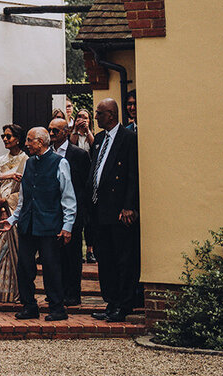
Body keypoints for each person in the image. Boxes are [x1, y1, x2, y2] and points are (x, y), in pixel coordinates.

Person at [7, 126, 75, 322]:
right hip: (28, 223)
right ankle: (29, 306)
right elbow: (23, 197)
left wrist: (67, 226)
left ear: (41, 142)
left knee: (52, 267)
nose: (26, 144)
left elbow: (68, 197)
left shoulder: (60, 163)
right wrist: (13, 219)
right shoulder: (28, 163)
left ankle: (57, 307)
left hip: (50, 223)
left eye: (30, 140)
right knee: (24, 267)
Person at [88, 98, 140, 323]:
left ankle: (124, 304)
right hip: (99, 209)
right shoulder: (99, 139)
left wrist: (129, 205)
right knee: (106, 259)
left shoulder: (128, 138)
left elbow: (132, 174)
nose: (96, 117)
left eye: (99, 113)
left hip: (119, 210)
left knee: (123, 259)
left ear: (110, 114)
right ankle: (111, 301)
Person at [48, 115, 90, 306]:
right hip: (51, 210)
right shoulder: (46, 153)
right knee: (53, 253)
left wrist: (79, 211)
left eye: (55, 131)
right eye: (49, 130)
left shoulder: (78, 155)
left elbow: (84, 184)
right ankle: (55, 292)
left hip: (73, 210)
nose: (51, 134)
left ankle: (73, 293)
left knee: (72, 254)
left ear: (65, 132)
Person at [0, 123, 27, 302]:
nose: (5, 139)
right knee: (0, 249)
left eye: (8, 136)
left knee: (14, 250)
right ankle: (1, 291)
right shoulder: (1, 160)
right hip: (0, 207)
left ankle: (16, 291)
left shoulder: (25, 160)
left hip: (14, 208)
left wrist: (8, 202)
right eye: (3, 136)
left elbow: (24, 188)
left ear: (18, 139)